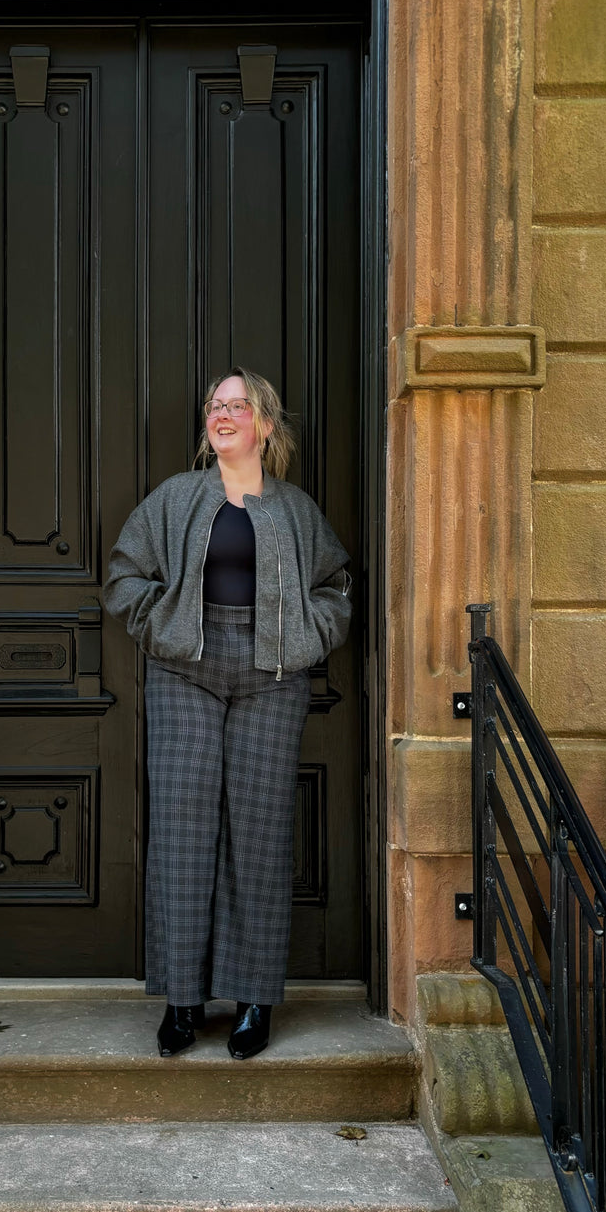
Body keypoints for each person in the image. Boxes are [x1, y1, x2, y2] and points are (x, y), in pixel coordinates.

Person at [104, 367, 352, 1060]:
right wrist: (166, 629)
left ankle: (252, 1002)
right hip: (186, 671)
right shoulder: (176, 499)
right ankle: (182, 1002)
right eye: (217, 405)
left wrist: (309, 636)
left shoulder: (296, 511)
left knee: (260, 834)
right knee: (181, 831)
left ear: (265, 426)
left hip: (272, 676)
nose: (224, 414)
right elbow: (125, 576)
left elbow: (335, 587)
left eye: (238, 406)